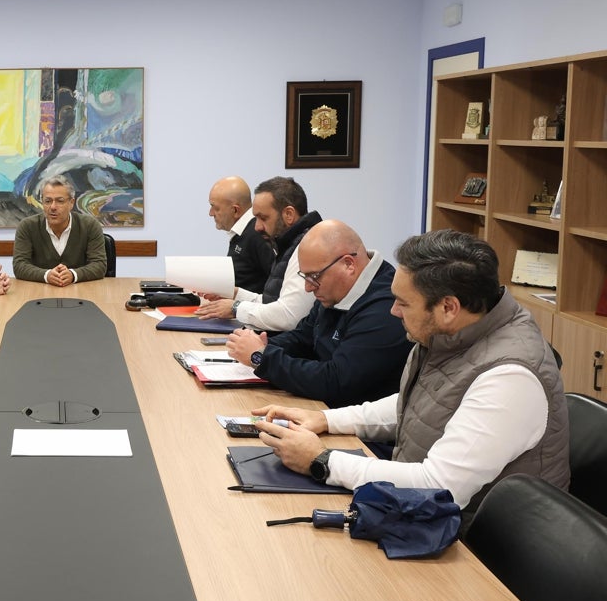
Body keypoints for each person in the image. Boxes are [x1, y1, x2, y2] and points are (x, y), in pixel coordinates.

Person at [251, 229, 569, 526]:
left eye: (403, 303)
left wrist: (321, 460)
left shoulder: (510, 377)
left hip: (482, 551)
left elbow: (438, 487)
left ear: (448, 307)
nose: (393, 312)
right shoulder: (450, 333)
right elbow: (416, 402)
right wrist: (326, 419)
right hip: (421, 517)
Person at [225, 220, 413, 407]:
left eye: (314, 277)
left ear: (349, 264)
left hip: (356, 430)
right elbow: (303, 338)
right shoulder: (335, 290)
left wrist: (262, 358)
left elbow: (336, 381)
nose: (308, 287)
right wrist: (261, 345)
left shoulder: (385, 308)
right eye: (305, 277)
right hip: (322, 410)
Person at [196, 175, 321, 331]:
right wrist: (235, 294)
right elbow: (271, 302)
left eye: (263, 218)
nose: (257, 227)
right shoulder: (287, 244)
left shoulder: (308, 247)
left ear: (289, 214)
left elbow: (288, 317)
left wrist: (236, 308)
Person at [12, 175, 107, 286]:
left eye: (60, 201)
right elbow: (19, 265)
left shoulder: (90, 226)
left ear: (71, 203)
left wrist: (73, 275)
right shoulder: (27, 226)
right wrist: (46, 275)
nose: (53, 207)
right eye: (47, 201)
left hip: (81, 292)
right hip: (39, 293)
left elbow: (99, 265)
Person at [206, 175, 274, 293]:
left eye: (215, 207)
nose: (210, 213)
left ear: (235, 210)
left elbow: (276, 288)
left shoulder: (258, 235)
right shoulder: (241, 233)